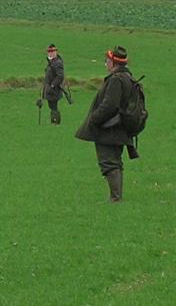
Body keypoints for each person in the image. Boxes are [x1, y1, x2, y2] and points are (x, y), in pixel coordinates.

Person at [74, 46, 135, 203]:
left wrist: (94, 119)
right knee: (115, 161)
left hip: (110, 128)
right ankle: (116, 196)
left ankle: (115, 198)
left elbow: (110, 106)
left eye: (107, 61)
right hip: (119, 127)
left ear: (114, 62)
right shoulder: (127, 77)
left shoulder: (116, 80)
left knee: (109, 162)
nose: (106, 64)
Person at [42, 44, 65, 124]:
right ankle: (54, 121)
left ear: (56, 52)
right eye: (49, 51)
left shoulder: (57, 63)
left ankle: (56, 122)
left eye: (52, 51)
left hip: (54, 89)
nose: (50, 53)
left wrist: (52, 85)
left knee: (53, 106)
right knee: (51, 106)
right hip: (50, 89)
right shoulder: (51, 62)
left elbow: (60, 76)